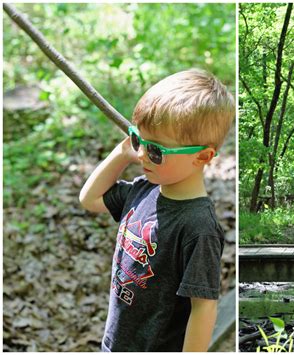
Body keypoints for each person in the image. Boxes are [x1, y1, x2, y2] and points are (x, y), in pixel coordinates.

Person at [79, 69, 235, 352]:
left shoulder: (199, 227)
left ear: (203, 156)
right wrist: (121, 152)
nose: (141, 156)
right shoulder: (143, 190)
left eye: (155, 151)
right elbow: (89, 199)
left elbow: (204, 308)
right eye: (139, 141)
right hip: (116, 342)